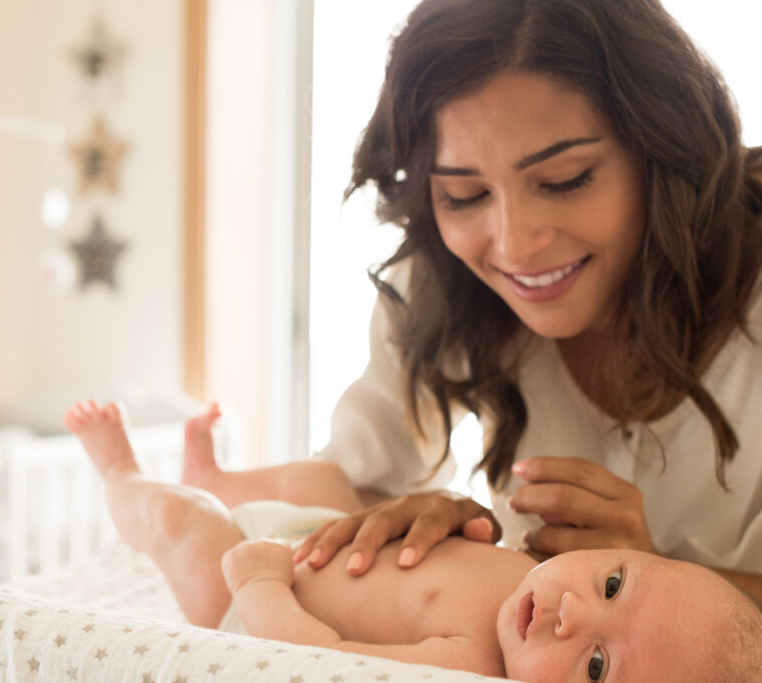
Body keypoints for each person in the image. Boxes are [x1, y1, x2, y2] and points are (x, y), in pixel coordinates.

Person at [266, 0, 762, 605]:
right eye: (464, 194)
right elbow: (348, 494)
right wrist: (438, 532)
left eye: (565, 179)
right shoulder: (443, 278)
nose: (515, 245)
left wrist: (660, 584)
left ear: (661, 147)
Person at [64, 399, 762, 682]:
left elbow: (323, 658)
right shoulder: (534, 571)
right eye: (612, 584)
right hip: (330, 539)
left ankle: (121, 472)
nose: (571, 613)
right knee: (323, 475)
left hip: (253, 590)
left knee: (181, 524)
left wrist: (257, 585)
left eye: (596, 667)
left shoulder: (469, 666)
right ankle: (219, 473)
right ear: (629, 547)